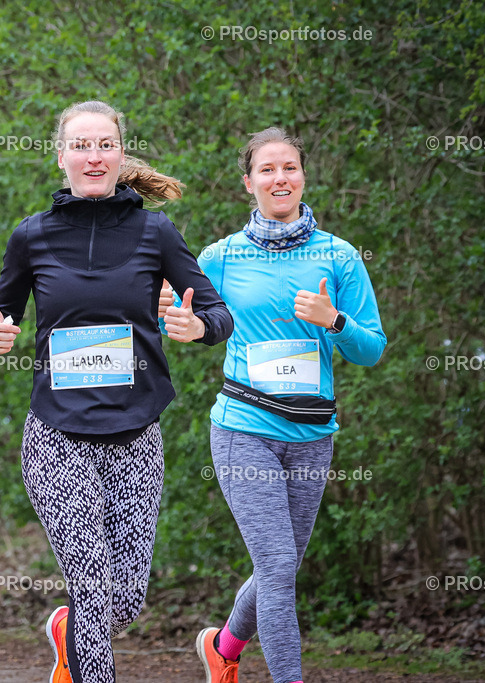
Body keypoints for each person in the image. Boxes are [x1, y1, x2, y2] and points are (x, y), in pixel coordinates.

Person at [0, 101, 233, 683]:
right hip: (56, 435)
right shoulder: (31, 236)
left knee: (124, 600)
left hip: (135, 435)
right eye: (81, 145)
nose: (93, 157)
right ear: (61, 156)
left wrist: (197, 327)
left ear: (121, 155)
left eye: (105, 145)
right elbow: (0, 314)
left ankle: (67, 632)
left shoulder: (156, 232)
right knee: (92, 583)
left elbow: (219, 314)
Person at [161, 127, 386, 683]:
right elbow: (186, 322)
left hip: (312, 434)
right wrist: (178, 321)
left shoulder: (338, 256)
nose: (279, 178)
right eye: (267, 169)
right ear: (249, 182)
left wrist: (334, 321)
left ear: (303, 176)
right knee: (280, 565)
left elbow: (371, 350)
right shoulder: (220, 257)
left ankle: (224, 647)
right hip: (244, 428)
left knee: (279, 570)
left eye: (289, 167)